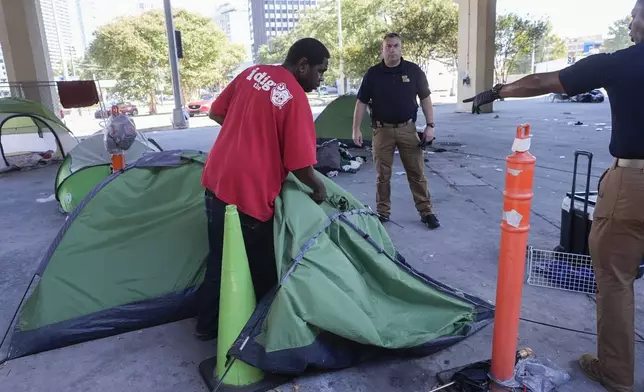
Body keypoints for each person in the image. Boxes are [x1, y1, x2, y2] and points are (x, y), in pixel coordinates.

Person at [464, 3, 644, 391]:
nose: (630, 21)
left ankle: (616, 372)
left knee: (614, 277)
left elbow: (544, 82)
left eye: (635, 13)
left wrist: (498, 91)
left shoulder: (619, 63)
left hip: (634, 183)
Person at [195, 38, 330, 341]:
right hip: (249, 194)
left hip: (216, 180)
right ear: (303, 65)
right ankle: (262, 333)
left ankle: (207, 326)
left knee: (219, 258)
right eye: (320, 71)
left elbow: (217, 112)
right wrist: (319, 189)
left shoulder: (251, 73)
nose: (320, 79)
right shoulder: (294, 97)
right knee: (265, 270)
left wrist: (247, 135)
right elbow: (300, 165)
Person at [352, 32, 440, 230]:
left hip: (407, 129)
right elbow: (361, 102)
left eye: (395, 46)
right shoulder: (373, 74)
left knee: (416, 173)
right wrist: (355, 129)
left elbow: (425, 98)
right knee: (382, 175)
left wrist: (430, 125)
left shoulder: (414, 71)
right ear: (382, 50)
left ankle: (427, 212)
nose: (392, 49)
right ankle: (383, 212)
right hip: (381, 131)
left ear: (401, 48)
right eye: (388, 46)